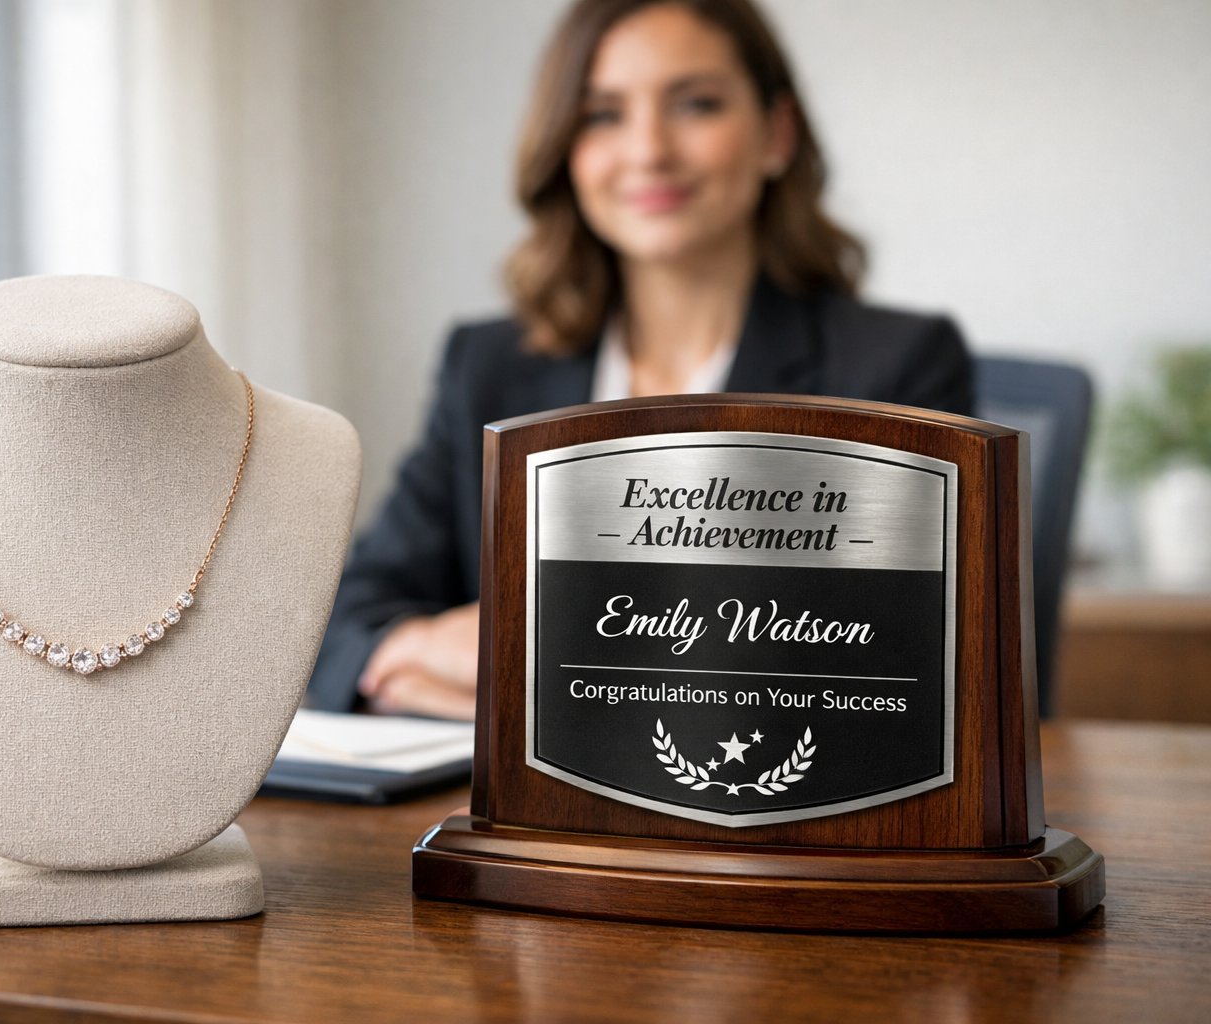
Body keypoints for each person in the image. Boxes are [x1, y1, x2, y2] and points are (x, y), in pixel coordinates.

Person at [306, 0, 973, 719]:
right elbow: (344, 619)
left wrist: (536, 673)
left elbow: (910, 662)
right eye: (603, 115)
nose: (649, 150)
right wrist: (416, 651)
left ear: (776, 134)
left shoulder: (895, 368)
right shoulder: (489, 366)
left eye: (696, 104)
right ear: (566, 149)